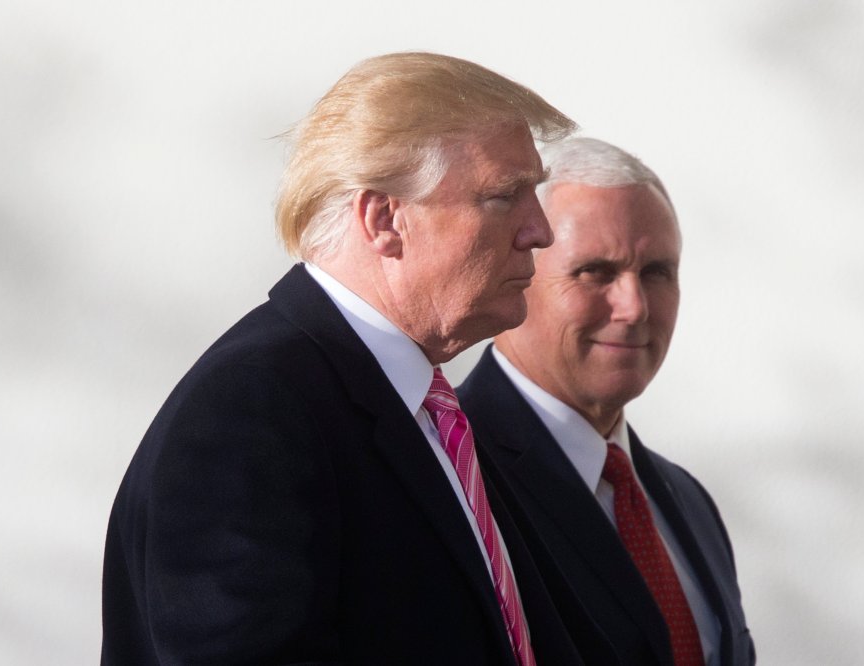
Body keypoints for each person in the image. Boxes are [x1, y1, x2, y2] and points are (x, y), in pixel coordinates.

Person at [101, 53, 617, 665]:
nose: (541, 231)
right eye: (506, 196)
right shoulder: (249, 414)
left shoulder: (423, 408)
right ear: (384, 219)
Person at [457, 137, 756, 665]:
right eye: (595, 271)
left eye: (656, 272)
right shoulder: (450, 473)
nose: (634, 307)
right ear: (516, 274)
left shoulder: (686, 500)